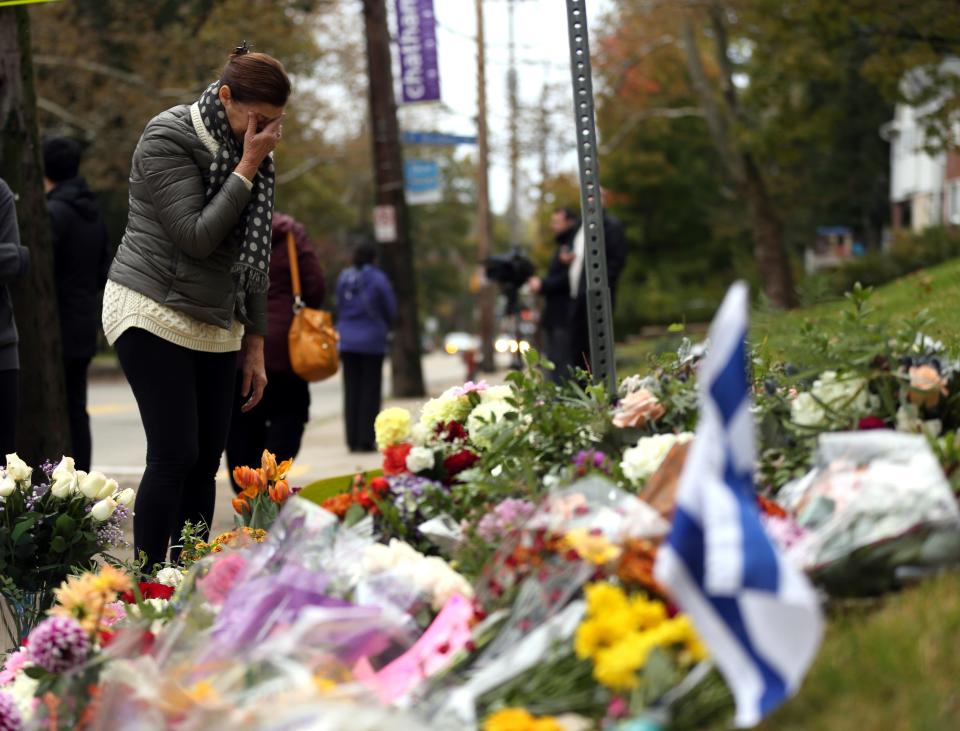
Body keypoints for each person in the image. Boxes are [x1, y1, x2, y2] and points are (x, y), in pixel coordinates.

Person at [101, 46, 290, 570]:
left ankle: (186, 586)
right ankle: (146, 586)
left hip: (214, 317)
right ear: (225, 96)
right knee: (174, 454)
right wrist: (248, 165)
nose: (267, 132)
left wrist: (255, 340)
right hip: (150, 305)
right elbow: (197, 237)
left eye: (275, 123)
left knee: (206, 461)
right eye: (258, 120)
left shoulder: (253, 153)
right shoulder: (168, 137)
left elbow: (251, 257)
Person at [226, 212, 325, 488]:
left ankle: (248, 491)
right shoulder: (292, 233)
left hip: (239, 343)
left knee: (241, 421)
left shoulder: (230, 227)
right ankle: (272, 480)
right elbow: (315, 286)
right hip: (287, 346)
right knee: (290, 413)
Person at [43, 137, 112, 472]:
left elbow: (43, 274)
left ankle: (53, 481)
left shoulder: (52, 212)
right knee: (76, 407)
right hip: (83, 320)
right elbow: (103, 268)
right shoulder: (92, 213)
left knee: (51, 406)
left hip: (53, 325)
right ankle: (80, 477)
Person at [336, 241, 396, 453]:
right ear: (374, 259)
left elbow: (339, 305)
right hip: (372, 341)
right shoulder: (378, 278)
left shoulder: (344, 277)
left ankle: (351, 439)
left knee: (351, 389)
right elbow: (390, 307)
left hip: (347, 340)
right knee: (370, 390)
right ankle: (366, 438)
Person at [567, 189, 627, 374]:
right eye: (586, 197)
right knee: (578, 349)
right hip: (576, 297)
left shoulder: (611, 226)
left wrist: (598, 286)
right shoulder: (578, 227)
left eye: (594, 196)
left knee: (597, 347)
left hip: (597, 297)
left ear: (604, 200)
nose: (589, 201)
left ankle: (601, 393)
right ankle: (581, 393)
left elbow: (617, 261)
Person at [528, 206, 578, 382]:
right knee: (554, 361)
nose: (553, 226)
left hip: (563, 315)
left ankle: (561, 401)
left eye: (557, 222)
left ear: (569, 222)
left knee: (560, 363)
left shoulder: (573, 243)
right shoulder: (563, 244)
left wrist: (542, 284)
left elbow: (569, 279)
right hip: (555, 314)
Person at [0, 179, 30, 455]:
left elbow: (12, 261)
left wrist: (15, 257)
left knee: (3, 469)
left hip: (2, 349)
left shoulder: (0, 191)